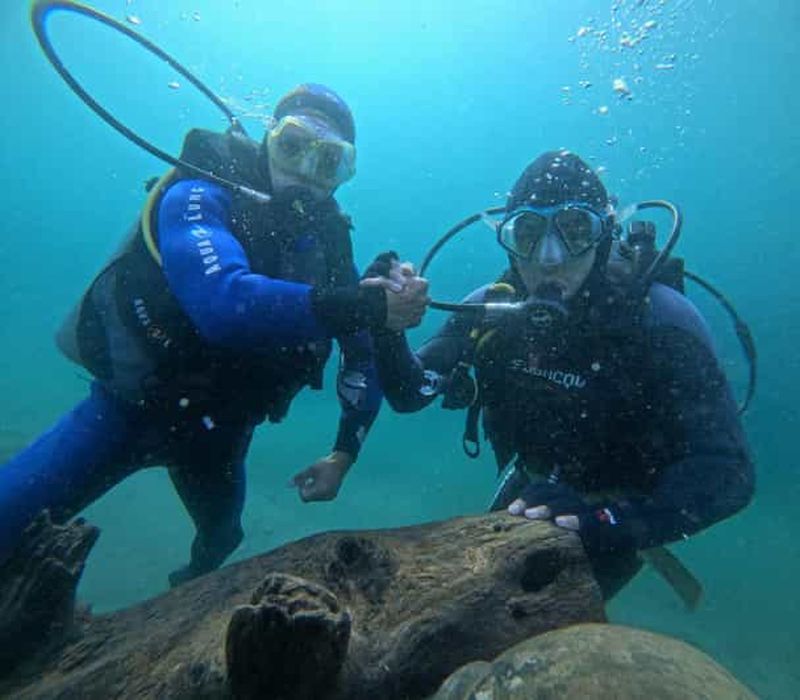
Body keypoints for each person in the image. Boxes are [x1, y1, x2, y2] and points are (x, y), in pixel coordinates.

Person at [0, 83, 427, 586]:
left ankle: (184, 591)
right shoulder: (199, 190)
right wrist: (367, 303)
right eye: (292, 146)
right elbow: (222, 304)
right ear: (267, 140)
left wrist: (343, 454)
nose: (303, 170)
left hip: (221, 438)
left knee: (222, 539)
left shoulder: (330, 246)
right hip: (127, 411)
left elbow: (361, 354)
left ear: (341, 177)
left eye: (328, 161)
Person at [369, 150, 754, 599]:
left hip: (621, 508)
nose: (549, 259)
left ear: (604, 236)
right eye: (528, 234)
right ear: (508, 240)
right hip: (530, 481)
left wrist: (612, 523)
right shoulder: (492, 308)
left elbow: (729, 472)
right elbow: (411, 392)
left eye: (574, 231)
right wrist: (387, 332)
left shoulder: (660, 321)